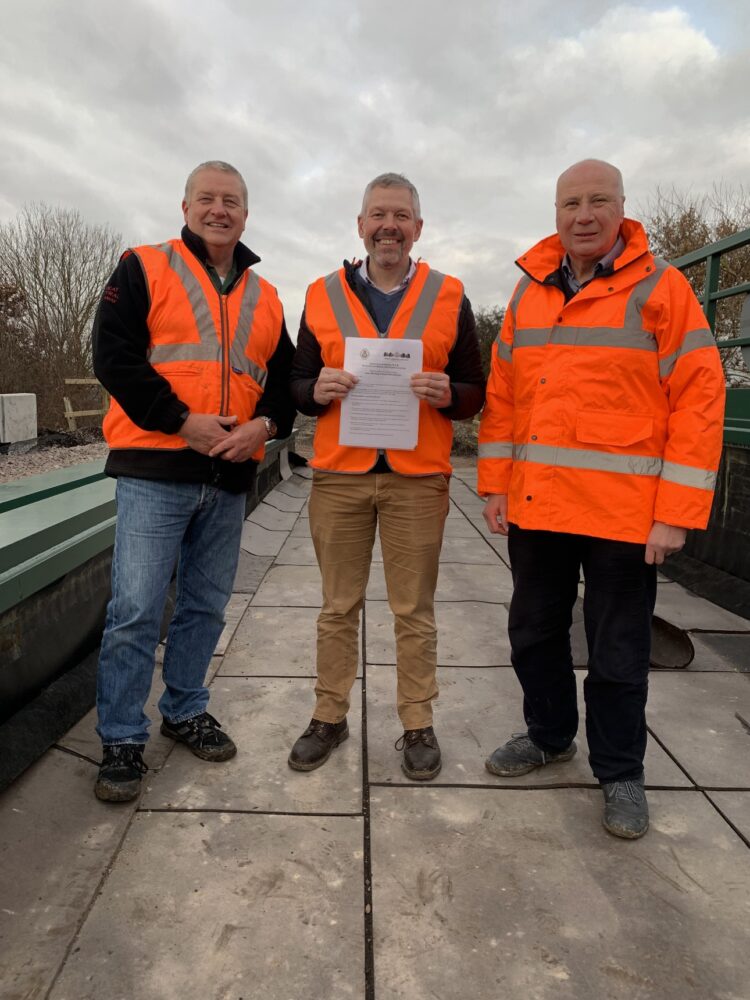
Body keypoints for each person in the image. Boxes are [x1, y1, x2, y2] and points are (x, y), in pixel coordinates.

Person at [478, 159, 725, 838]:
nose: (583, 215)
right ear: (555, 213)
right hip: (538, 506)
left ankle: (621, 773)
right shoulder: (529, 294)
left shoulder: (663, 290)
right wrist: (495, 485)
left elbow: (700, 400)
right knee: (532, 633)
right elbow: (503, 400)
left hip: (624, 515)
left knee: (618, 650)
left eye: (598, 202)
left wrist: (675, 513)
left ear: (622, 208)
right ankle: (550, 735)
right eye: (569, 203)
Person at [92, 160, 295, 802]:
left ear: (245, 212)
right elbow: (113, 357)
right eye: (206, 198)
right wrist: (184, 422)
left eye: (231, 200)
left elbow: (286, 384)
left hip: (230, 478)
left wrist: (265, 427)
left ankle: (183, 709)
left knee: (205, 607)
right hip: (156, 471)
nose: (219, 209)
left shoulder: (266, 297)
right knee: (135, 611)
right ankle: (122, 736)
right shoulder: (144, 266)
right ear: (184, 207)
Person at [288, 172, 485, 780]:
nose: (389, 226)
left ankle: (417, 723)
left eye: (401, 215)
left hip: (416, 479)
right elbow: (295, 384)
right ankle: (329, 714)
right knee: (336, 607)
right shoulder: (320, 295)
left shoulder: (451, 295)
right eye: (378, 214)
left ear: (418, 228)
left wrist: (449, 391)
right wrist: (314, 390)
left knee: (413, 610)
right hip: (340, 477)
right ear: (361, 225)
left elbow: (476, 391)